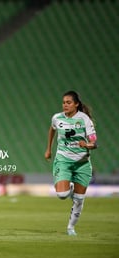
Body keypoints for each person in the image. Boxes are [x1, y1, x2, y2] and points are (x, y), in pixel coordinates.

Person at [44, 91, 97, 236]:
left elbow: (94, 143)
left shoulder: (84, 119)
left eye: (68, 102)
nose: (65, 105)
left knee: (79, 200)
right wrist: (48, 149)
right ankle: (69, 189)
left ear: (76, 104)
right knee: (62, 194)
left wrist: (86, 145)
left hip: (82, 163)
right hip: (63, 160)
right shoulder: (57, 118)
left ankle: (70, 228)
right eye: (64, 102)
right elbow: (52, 129)